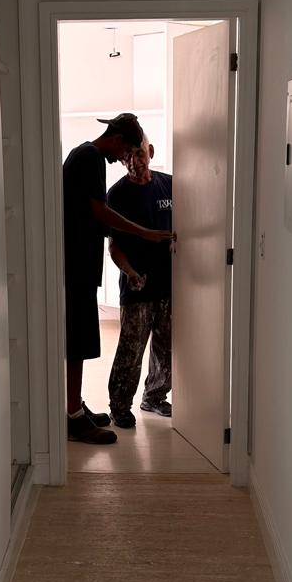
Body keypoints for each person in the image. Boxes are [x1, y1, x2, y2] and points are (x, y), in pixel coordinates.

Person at [63, 114, 174, 445]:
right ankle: (74, 417)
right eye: (127, 151)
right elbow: (100, 213)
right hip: (77, 266)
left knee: (80, 341)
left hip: (81, 265)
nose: (126, 159)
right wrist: (146, 234)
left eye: (136, 153)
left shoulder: (87, 156)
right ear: (118, 139)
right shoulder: (91, 158)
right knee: (79, 342)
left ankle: (75, 407)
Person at [106, 136, 173, 428]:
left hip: (170, 284)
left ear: (151, 151)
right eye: (127, 157)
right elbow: (113, 246)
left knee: (166, 346)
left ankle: (155, 397)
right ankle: (120, 406)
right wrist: (130, 272)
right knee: (131, 349)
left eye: (139, 154)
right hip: (138, 285)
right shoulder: (117, 195)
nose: (134, 162)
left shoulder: (171, 185)